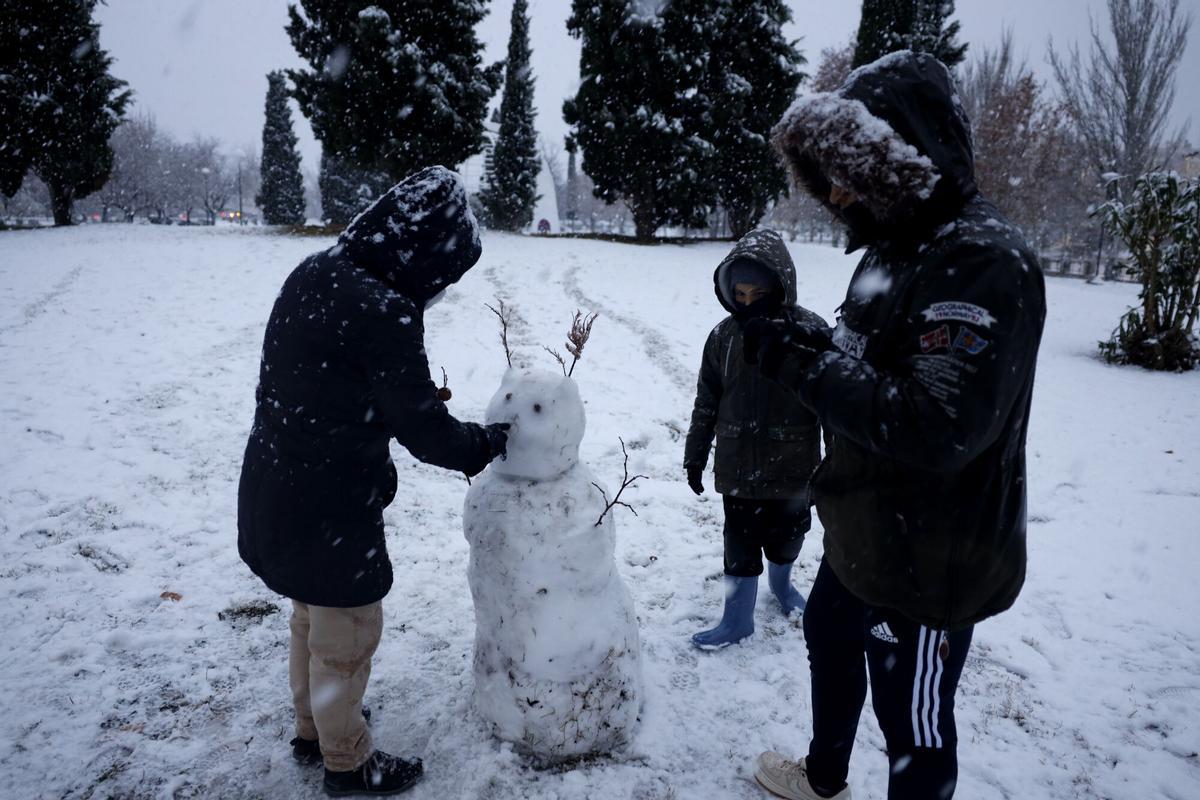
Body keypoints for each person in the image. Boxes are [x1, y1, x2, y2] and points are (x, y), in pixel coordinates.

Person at [748, 52, 1046, 799]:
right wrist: (808, 342)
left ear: (907, 158)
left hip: (928, 563)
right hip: (862, 529)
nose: (840, 191)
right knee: (827, 638)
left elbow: (936, 424)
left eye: (856, 170)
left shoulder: (982, 260)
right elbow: (870, 362)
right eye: (831, 173)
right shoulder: (893, 247)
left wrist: (803, 369)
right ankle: (824, 777)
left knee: (912, 721)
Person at [237, 167, 509, 797]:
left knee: (310, 616)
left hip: (278, 484)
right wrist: (484, 443)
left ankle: (314, 728)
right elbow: (425, 430)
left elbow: (327, 392)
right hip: (330, 508)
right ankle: (347, 762)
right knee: (348, 633)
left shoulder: (315, 271)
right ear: (426, 255)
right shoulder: (383, 310)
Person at [683, 228, 828, 649]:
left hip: (792, 469)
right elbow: (706, 400)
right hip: (738, 468)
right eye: (739, 295)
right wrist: (695, 454)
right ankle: (737, 619)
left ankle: (782, 586)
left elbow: (831, 409)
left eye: (757, 293)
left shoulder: (809, 332)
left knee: (788, 539)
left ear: (779, 287)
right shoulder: (722, 337)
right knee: (739, 545)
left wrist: (835, 468)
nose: (747, 304)